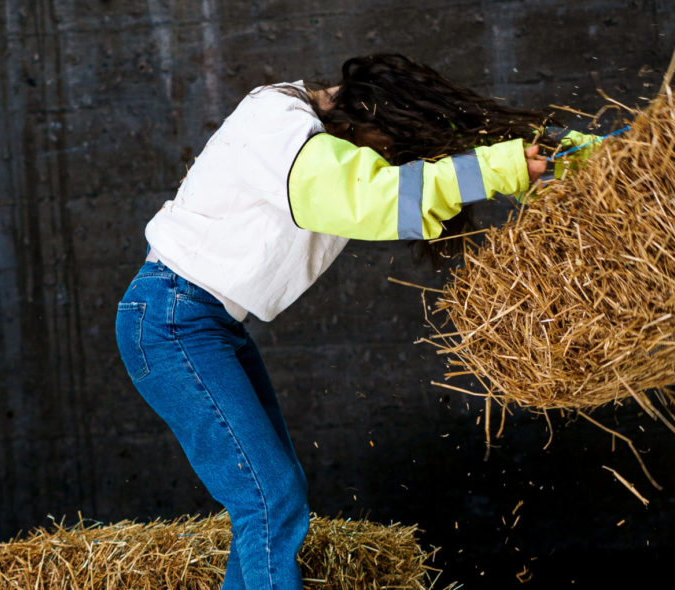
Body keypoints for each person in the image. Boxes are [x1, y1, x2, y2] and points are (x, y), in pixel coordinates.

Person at [114, 53, 597, 590]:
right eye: (390, 147)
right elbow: (371, 196)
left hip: (204, 322)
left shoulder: (317, 138)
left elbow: (425, 169)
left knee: (271, 496)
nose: (389, 161)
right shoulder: (279, 123)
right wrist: (495, 168)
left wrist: (544, 156)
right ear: (364, 118)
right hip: (171, 320)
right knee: (268, 497)